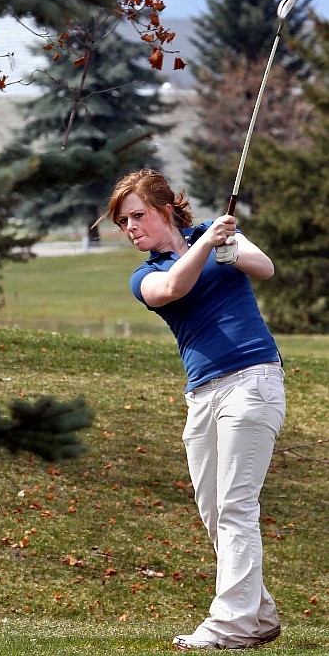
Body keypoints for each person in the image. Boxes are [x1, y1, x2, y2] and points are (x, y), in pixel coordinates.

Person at [101, 169, 286, 651]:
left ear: (164, 210)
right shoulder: (146, 274)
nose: (131, 228)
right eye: (123, 222)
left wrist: (230, 245)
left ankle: (229, 622)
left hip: (253, 378)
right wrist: (207, 245)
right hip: (203, 394)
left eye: (137, 215)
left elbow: (263, 268)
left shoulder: (214, 234)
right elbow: (173, 290)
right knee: (213, 509)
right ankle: (258, 613)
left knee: (236, 506)